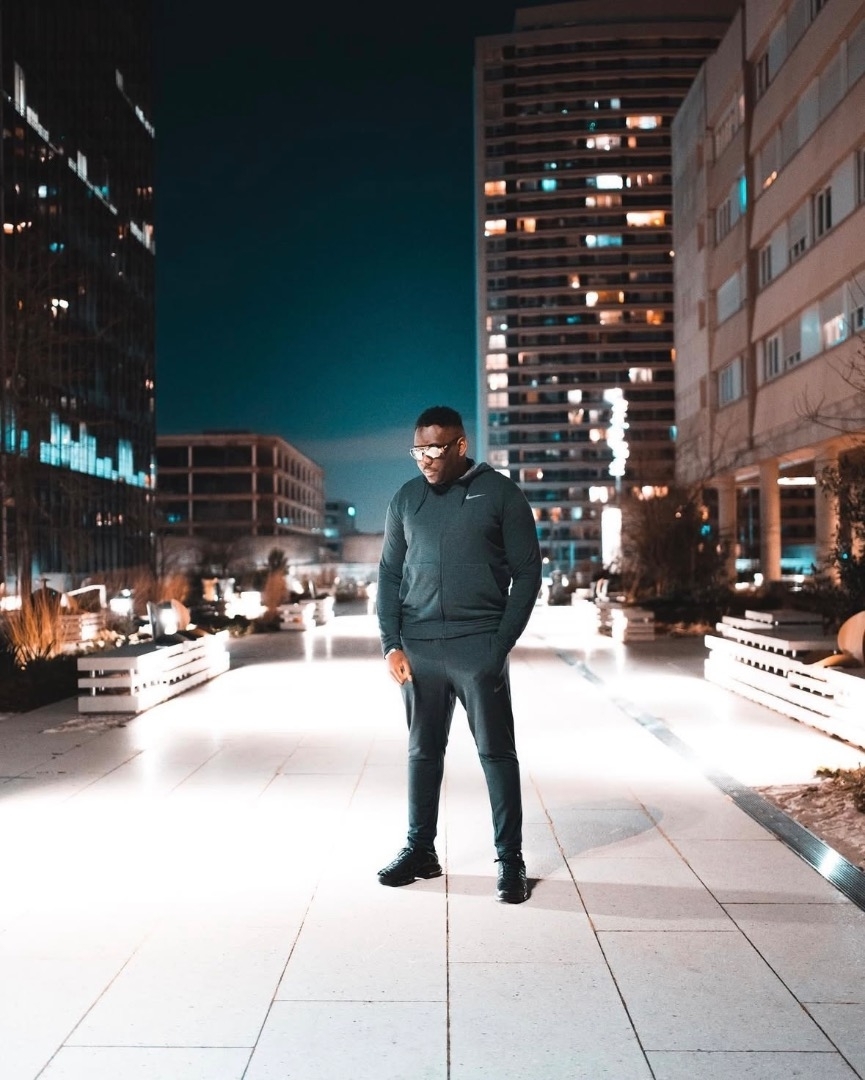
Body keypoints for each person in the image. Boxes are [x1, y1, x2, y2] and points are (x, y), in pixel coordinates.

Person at [376, 405, 542, 903]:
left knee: (496, 753)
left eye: (434, 449)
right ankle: (420, 851)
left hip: (478, 644)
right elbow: (388, 574)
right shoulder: (406, 499)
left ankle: (510, 860)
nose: (426, 459)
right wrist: (391, 643)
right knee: (422, 753)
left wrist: (499, 645)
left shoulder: (501, 494)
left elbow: (528, 573)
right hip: (419, 648)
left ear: (460, 445)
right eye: (418, 450)